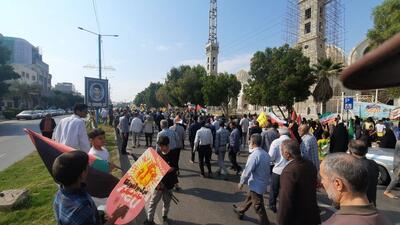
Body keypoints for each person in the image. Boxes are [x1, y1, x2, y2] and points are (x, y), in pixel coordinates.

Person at [52, 151, 128, 225]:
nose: (90, 169)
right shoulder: (81, 209)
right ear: (82, 175)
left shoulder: (60, 194)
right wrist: (115, 216)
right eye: (87, 167)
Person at [320, 153, 392, 225]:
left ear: (338, 184)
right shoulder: (382, 218)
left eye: (322, 178)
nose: (321, 182)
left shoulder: (335, 222)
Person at [277, 139, 321, 225]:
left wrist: (281, 221)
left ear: (287, 154)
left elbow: (286, 200)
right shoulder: (309, 164)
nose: (281, 153)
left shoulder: (289, 171)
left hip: (296, 218)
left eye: (281, 151)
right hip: (312, 214)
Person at [233, 134, 271, 225]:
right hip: (262, 183)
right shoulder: (265, 154)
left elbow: (247, 170)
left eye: (250, 141)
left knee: (258, 206)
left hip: (256, 184)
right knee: (250, 198)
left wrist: (241, 182)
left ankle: (265, 223)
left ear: (253, 142)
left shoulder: (254, 155)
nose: (249, 142)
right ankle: (240, 210)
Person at [145, 136, 178, 225]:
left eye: (161, 146)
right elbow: (153, 169)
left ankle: (164, 217)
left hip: (169, 184)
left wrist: (167, 169)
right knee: (152, 203)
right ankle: (149, 220)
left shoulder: (173, 154)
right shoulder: (158, 153)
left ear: (167, 145)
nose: (160, 148)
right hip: (158, 184)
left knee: (166, 203)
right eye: (159, 146)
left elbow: (174, 168)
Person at [348, 140, 379, 206]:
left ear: (350, 151)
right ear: (367, 151)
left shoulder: (349, 166)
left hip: (354, 205)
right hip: (371, 203)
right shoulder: (373, 164)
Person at [268, 127, 291, 213]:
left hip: (277, 170)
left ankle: (272, 205)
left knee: (274, 190)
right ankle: (284, 207)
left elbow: (271, 157)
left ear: (280, 133)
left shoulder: (276, 142)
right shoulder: (293, 142)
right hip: (289, 170)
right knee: (286, 190)